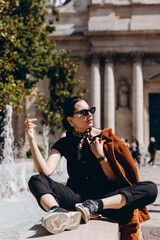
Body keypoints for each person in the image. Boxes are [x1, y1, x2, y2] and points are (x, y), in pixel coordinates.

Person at [24, 96, 157, 240]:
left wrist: (101, 156)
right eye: (83, 112)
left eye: (90, 110)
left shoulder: (105, 138)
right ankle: (57, 212)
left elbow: (116, 178)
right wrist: (31, 139)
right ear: (70, 120)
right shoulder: (64, 143)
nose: (89, 114)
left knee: (150, 189)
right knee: (36, 180)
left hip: (105, 201)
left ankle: (92, 206)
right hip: (76, 199)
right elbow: (45, 171)